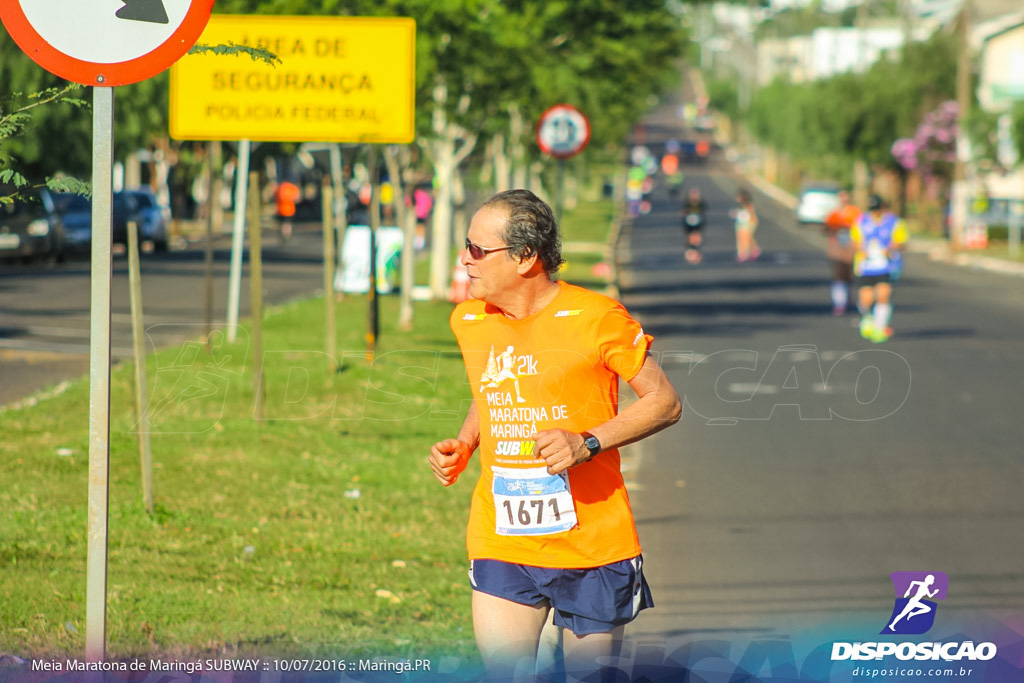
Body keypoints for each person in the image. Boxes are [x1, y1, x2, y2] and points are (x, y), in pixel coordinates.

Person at [429, 189, 681, 681]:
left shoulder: (597, 318)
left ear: (525, 257)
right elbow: (493, 389)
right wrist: (466, 443)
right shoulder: (471, 320)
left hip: (592, 544)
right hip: (504, 537)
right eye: (466, 245)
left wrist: (585, 443)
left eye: (479, 250)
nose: (465, 259)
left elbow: (665, 402)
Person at [851, 194, 907, 343]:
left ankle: (879, 327)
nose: (875, 212)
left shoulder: (894, 222)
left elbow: (901, 242)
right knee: (866, 299)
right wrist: (862, 249)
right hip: (866, 266)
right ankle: (867, 317)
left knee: (883, 294)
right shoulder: (861, 221)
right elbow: (855, 241)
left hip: (886, 265)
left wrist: (890, 248)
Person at [823, 190, 860, 315]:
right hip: (837, 251)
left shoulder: (855, 213)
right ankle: (839, 303)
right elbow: (826, 228)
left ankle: (850, 298)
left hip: (851, 250)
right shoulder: (833, 213)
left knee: (850, 277)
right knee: (838, 277)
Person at [732, 188, 761, 262]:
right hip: (742, 223)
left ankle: (744, 253)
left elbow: (750, 215)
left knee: (745, 237)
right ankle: (753, 250)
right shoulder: (742, 205)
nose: (737, 198)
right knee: (746, 237)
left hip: (748, 223)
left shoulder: (748, 205)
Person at [681, 187, 707, 264]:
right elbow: (683, 213)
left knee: (697, 238)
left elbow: (703, 213)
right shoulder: (687, 203)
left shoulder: (701, 203)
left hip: (698, 223)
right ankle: (689, 253)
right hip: (688, 223)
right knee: (689, 238)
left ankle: (697, 253)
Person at [274, 178, 300, 243]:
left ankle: (284, 235)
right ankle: (287, 235)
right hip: (290, 210)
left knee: (283, 224)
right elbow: (297, 198)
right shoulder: (292, 187)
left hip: (281, 209)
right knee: (287, 224)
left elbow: (276, 197)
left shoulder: (280, 187)